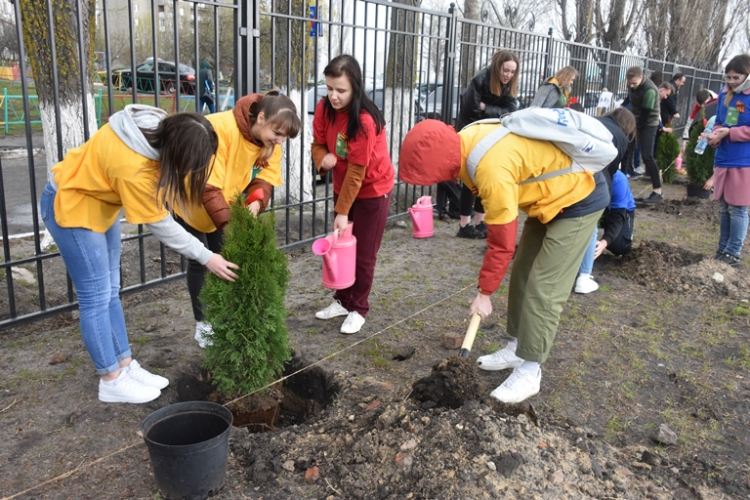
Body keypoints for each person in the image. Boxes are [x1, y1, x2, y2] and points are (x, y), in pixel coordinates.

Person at [399, 109, 634, 404]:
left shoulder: (490, 169)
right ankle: (519, 345)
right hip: (546, 196)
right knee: (523, 270)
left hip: (579, 197)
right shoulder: (465, 138)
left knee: (545, 286)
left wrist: (485, 294)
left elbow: (501, 244)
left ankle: (531, 369)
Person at [40, 106, 239, 403]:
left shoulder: (156, 129)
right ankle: (110, 379)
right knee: (95, 296)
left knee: (110, 292)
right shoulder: (135, 168)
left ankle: (124, 365)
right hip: (71, 206)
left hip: (99, 206)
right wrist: (207, 256)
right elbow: (162, 225)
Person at [173, 91, 301, 347]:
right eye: (277, 133)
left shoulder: (270, 143)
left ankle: (220, 316)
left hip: (223, 206)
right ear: (261, 117)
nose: (280, 141)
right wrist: (232, 225)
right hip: (190, 201)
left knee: (224, 259)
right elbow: (207, 188)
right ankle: (203, 324)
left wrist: (255, 202)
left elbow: (264, 178)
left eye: (285, 137)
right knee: (201, 261)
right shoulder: (218, 130)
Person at [311, 55, 395, 334]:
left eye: (341, 90)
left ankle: (359, 308)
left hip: (373, 191)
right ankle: (343, 300)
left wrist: (342, 212)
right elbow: (318, 144)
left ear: (355, 88)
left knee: (364, 254)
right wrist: (322, 158)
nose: (333, 96)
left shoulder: (364, 121)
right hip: (343, 187)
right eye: (329, 88)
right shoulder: (325, 108)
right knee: (341, 247)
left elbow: (358, 172)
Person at [454, 50, 520, 239]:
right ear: (497, 67)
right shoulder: (481, 79)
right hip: (471, 132)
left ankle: (480, 221)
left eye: (512, 72)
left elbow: (511, 110)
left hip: (492, 134)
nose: (508, 75)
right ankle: (464, 224)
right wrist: (492, 112)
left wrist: (487, 108)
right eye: (505, 70)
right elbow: (471, 110)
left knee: (486, 175)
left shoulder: (509, 85)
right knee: (470, 178)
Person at [703, 54, 750, 268]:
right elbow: (720, 121)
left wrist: (730, 133)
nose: (731, 81)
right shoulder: (724, 94)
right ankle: (722, 250)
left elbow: (735, 128)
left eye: (736, 77)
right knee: (724, 207)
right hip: (723, 157)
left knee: (738, 208)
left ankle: (733, 254)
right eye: (728, 77)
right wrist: (714, 136)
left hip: (743, 160)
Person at [626, 66, 663, 203]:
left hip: (649, 123)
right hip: (636, 120)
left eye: (634, 83)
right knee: (626, 151)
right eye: (629, 83)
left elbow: (646, 115)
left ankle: (657, 191)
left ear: (641, 77)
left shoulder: (650, 90)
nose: (631, 86)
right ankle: (621, 188)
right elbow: (629, 100)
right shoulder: (633, 85)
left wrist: (636, 130)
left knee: (647, 156)